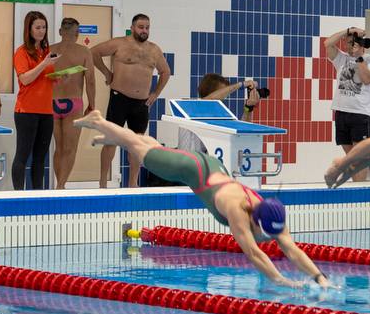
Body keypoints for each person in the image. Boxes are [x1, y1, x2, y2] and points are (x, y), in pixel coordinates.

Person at [75, 110, 330, 289]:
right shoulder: (237, 211)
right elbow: (254, 253)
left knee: (153, 149)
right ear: (255, 217)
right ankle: (99, 121)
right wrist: (281, 281)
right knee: (145, 153)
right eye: (263, 231)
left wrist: (319, 277)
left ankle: (115, 136)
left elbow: (292, 249)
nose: (265, 236)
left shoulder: (272, 214)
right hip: (193, 169)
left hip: (212, 167)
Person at [92, 14, 171, 188]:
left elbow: (165, 72)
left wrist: (155, 93)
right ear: (133, 27)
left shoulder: (154, 50)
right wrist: (106, 73)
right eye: (141, 27)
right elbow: (94, 52)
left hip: (141, 103)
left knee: (136, 144)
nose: (144, 31)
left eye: (147, 27)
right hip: (119, 98)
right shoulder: (120, 43)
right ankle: (103, 182)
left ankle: (132, 183)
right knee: (111, 140)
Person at [322, 26, 370, 181]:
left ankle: (360, 194)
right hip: (341, 112)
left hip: (360, 114)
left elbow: (367, 79)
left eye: (352, 43)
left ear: (361, 45)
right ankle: (357, 190)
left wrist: (359, 57)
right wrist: (347, 30)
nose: (348, 46)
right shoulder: (342, 58)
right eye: (347, 43)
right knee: (351, 158)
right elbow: (327, 43)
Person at [47, 17, 95, 188]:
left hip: (51, 102)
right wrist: (92, 105)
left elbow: (41, 78)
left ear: (60, 32)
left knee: (58, 147)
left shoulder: (49, 50)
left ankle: (58, 185)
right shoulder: (84, 52)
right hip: (73, 104)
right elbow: (90, 81)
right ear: (77, 33)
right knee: (70, 149)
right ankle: (61, 185)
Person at [11, 11, 56, 190]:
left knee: (40, 157)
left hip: (46, 111)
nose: (41, 31)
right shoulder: (21, 52)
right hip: (26, 111)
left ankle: (38, 195)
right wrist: (44, 64)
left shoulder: (46, 51)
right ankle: (18, 195)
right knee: (22, 155)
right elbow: (25, 79)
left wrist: (60, 77)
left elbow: (46, 79)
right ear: (28, 29)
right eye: (37, 27)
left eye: (44, 27)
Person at [176, 74, 259, 154]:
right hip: (187, 165)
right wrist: (241, 85)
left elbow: (240, 134)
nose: (224, 97)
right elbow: (209, 100)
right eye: (223, 93)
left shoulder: (218, 115)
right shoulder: (190, 107)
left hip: (204, 165)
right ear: (211, 91)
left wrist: (248, 107)